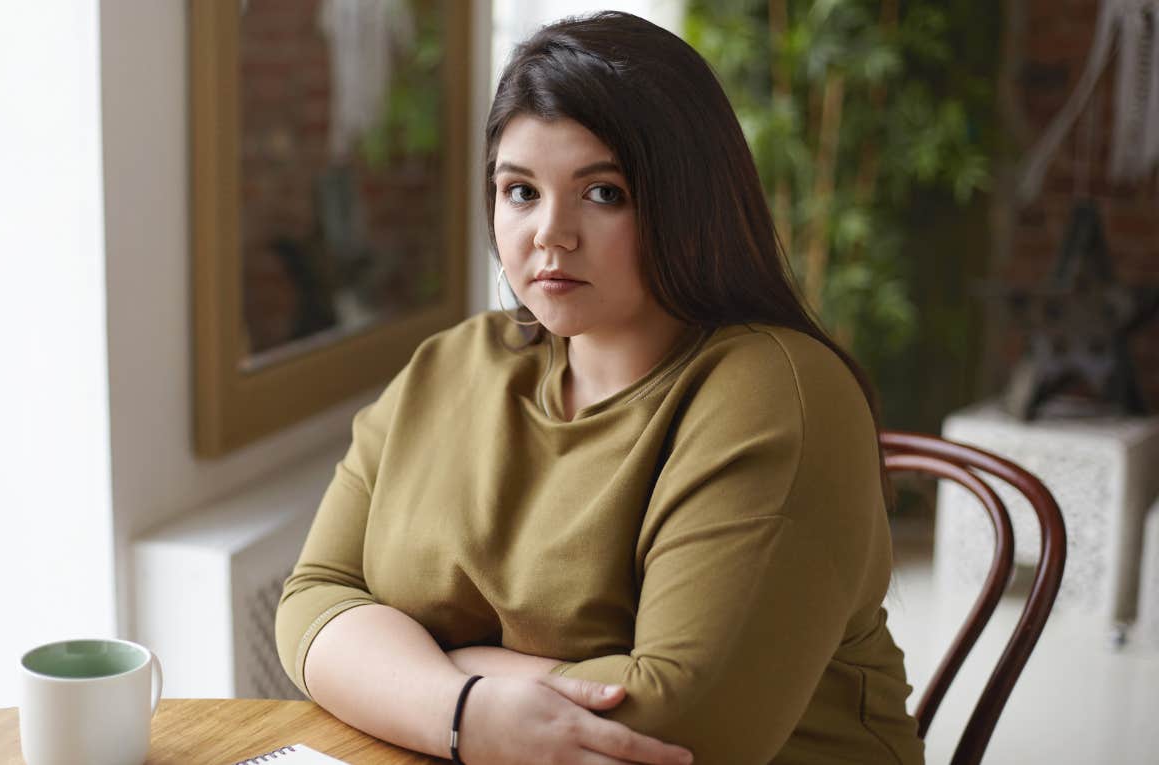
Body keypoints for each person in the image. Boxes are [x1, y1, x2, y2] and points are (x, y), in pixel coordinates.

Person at [276, 11, 923, 765]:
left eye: (604, 192)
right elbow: (313, 599)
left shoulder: (774, 391)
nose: (551, 233)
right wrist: (466, 709)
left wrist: (417, 673)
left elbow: (684, 722)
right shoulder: (451, 365)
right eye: (520, 191)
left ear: (688, 199)